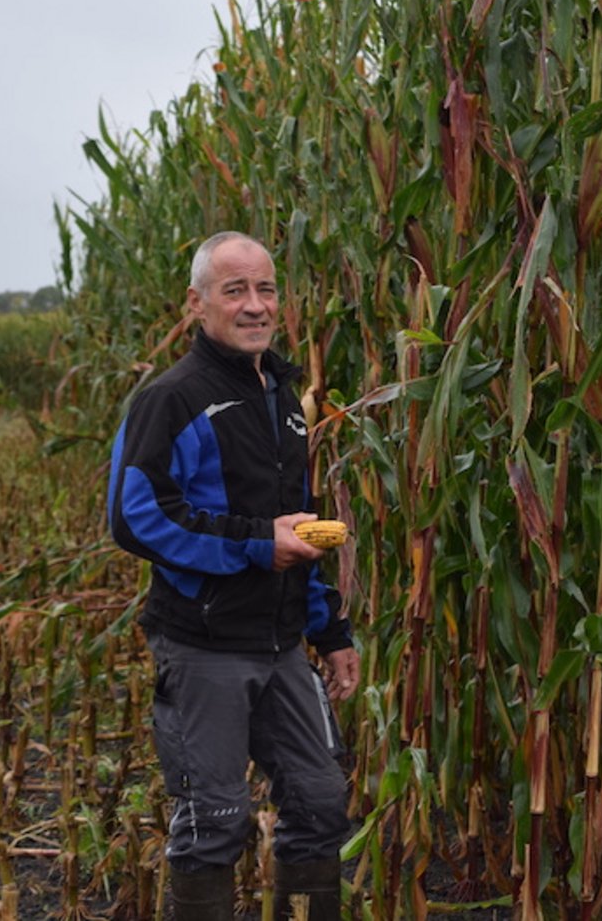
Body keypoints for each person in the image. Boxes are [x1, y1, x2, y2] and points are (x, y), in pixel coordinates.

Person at [107, 231, 359, 920]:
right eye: (235, 290)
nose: (255, 305)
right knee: (214, 820)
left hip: (280, 645)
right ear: (197, 304)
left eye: (266, 289)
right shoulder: (172, 399)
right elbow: (135, 518)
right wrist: (254, 544)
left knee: (320, 801)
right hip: (203, 644)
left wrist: (331, 631)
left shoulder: (283, 398)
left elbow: (297, 524)